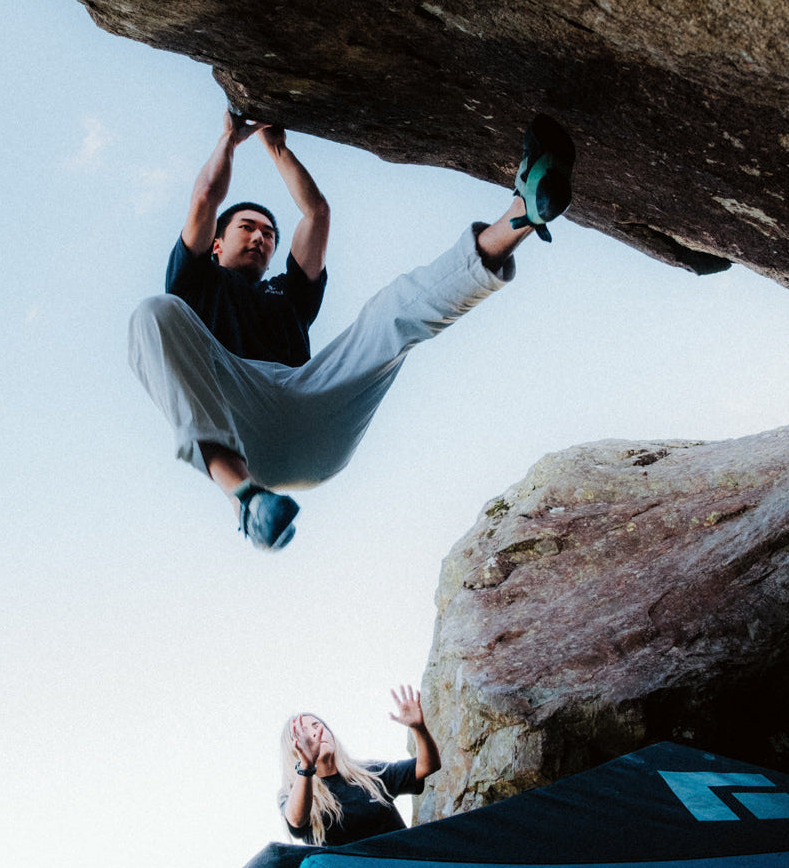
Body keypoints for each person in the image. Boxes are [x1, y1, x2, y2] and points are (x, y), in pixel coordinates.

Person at [129, 108, 574, 550]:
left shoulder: (288, 294)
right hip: (238, 417)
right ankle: (244, 497)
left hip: (312, 409)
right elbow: (206, 197)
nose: (260, 237)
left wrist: (277, 149)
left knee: (390, 311)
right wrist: (229, 141)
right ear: (217, 243)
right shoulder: (196, 281)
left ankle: (522, 212)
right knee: (154, 312)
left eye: (268, 233)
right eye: (247, 228)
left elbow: (316, 213)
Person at [279, 685, 442, 846]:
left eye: (316, 725)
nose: (315, 733)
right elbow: (296, 820)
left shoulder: (370, 773)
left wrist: (418, 729)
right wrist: (307, 766)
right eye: (303, 733)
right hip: (347, 864)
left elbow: (427, 766)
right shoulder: (293, 794)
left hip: (397, 859)